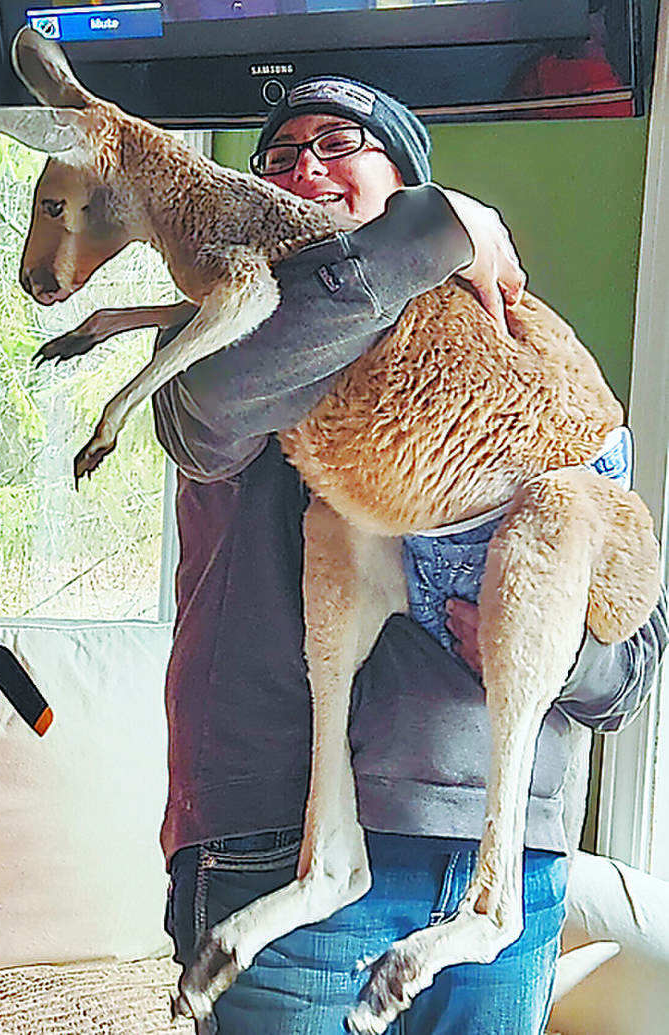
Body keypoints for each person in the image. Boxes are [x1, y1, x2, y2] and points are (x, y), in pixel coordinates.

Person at [152, 77, 669, 1034]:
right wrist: (426, 231)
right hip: (285, 843)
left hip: (508, 860)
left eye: (338, 141)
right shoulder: (232, 337)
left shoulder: (524, 357)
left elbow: (632, 662)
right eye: (275, 154)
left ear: (407, 180)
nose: (301, 164)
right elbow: (206, 420)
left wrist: (531, 637)